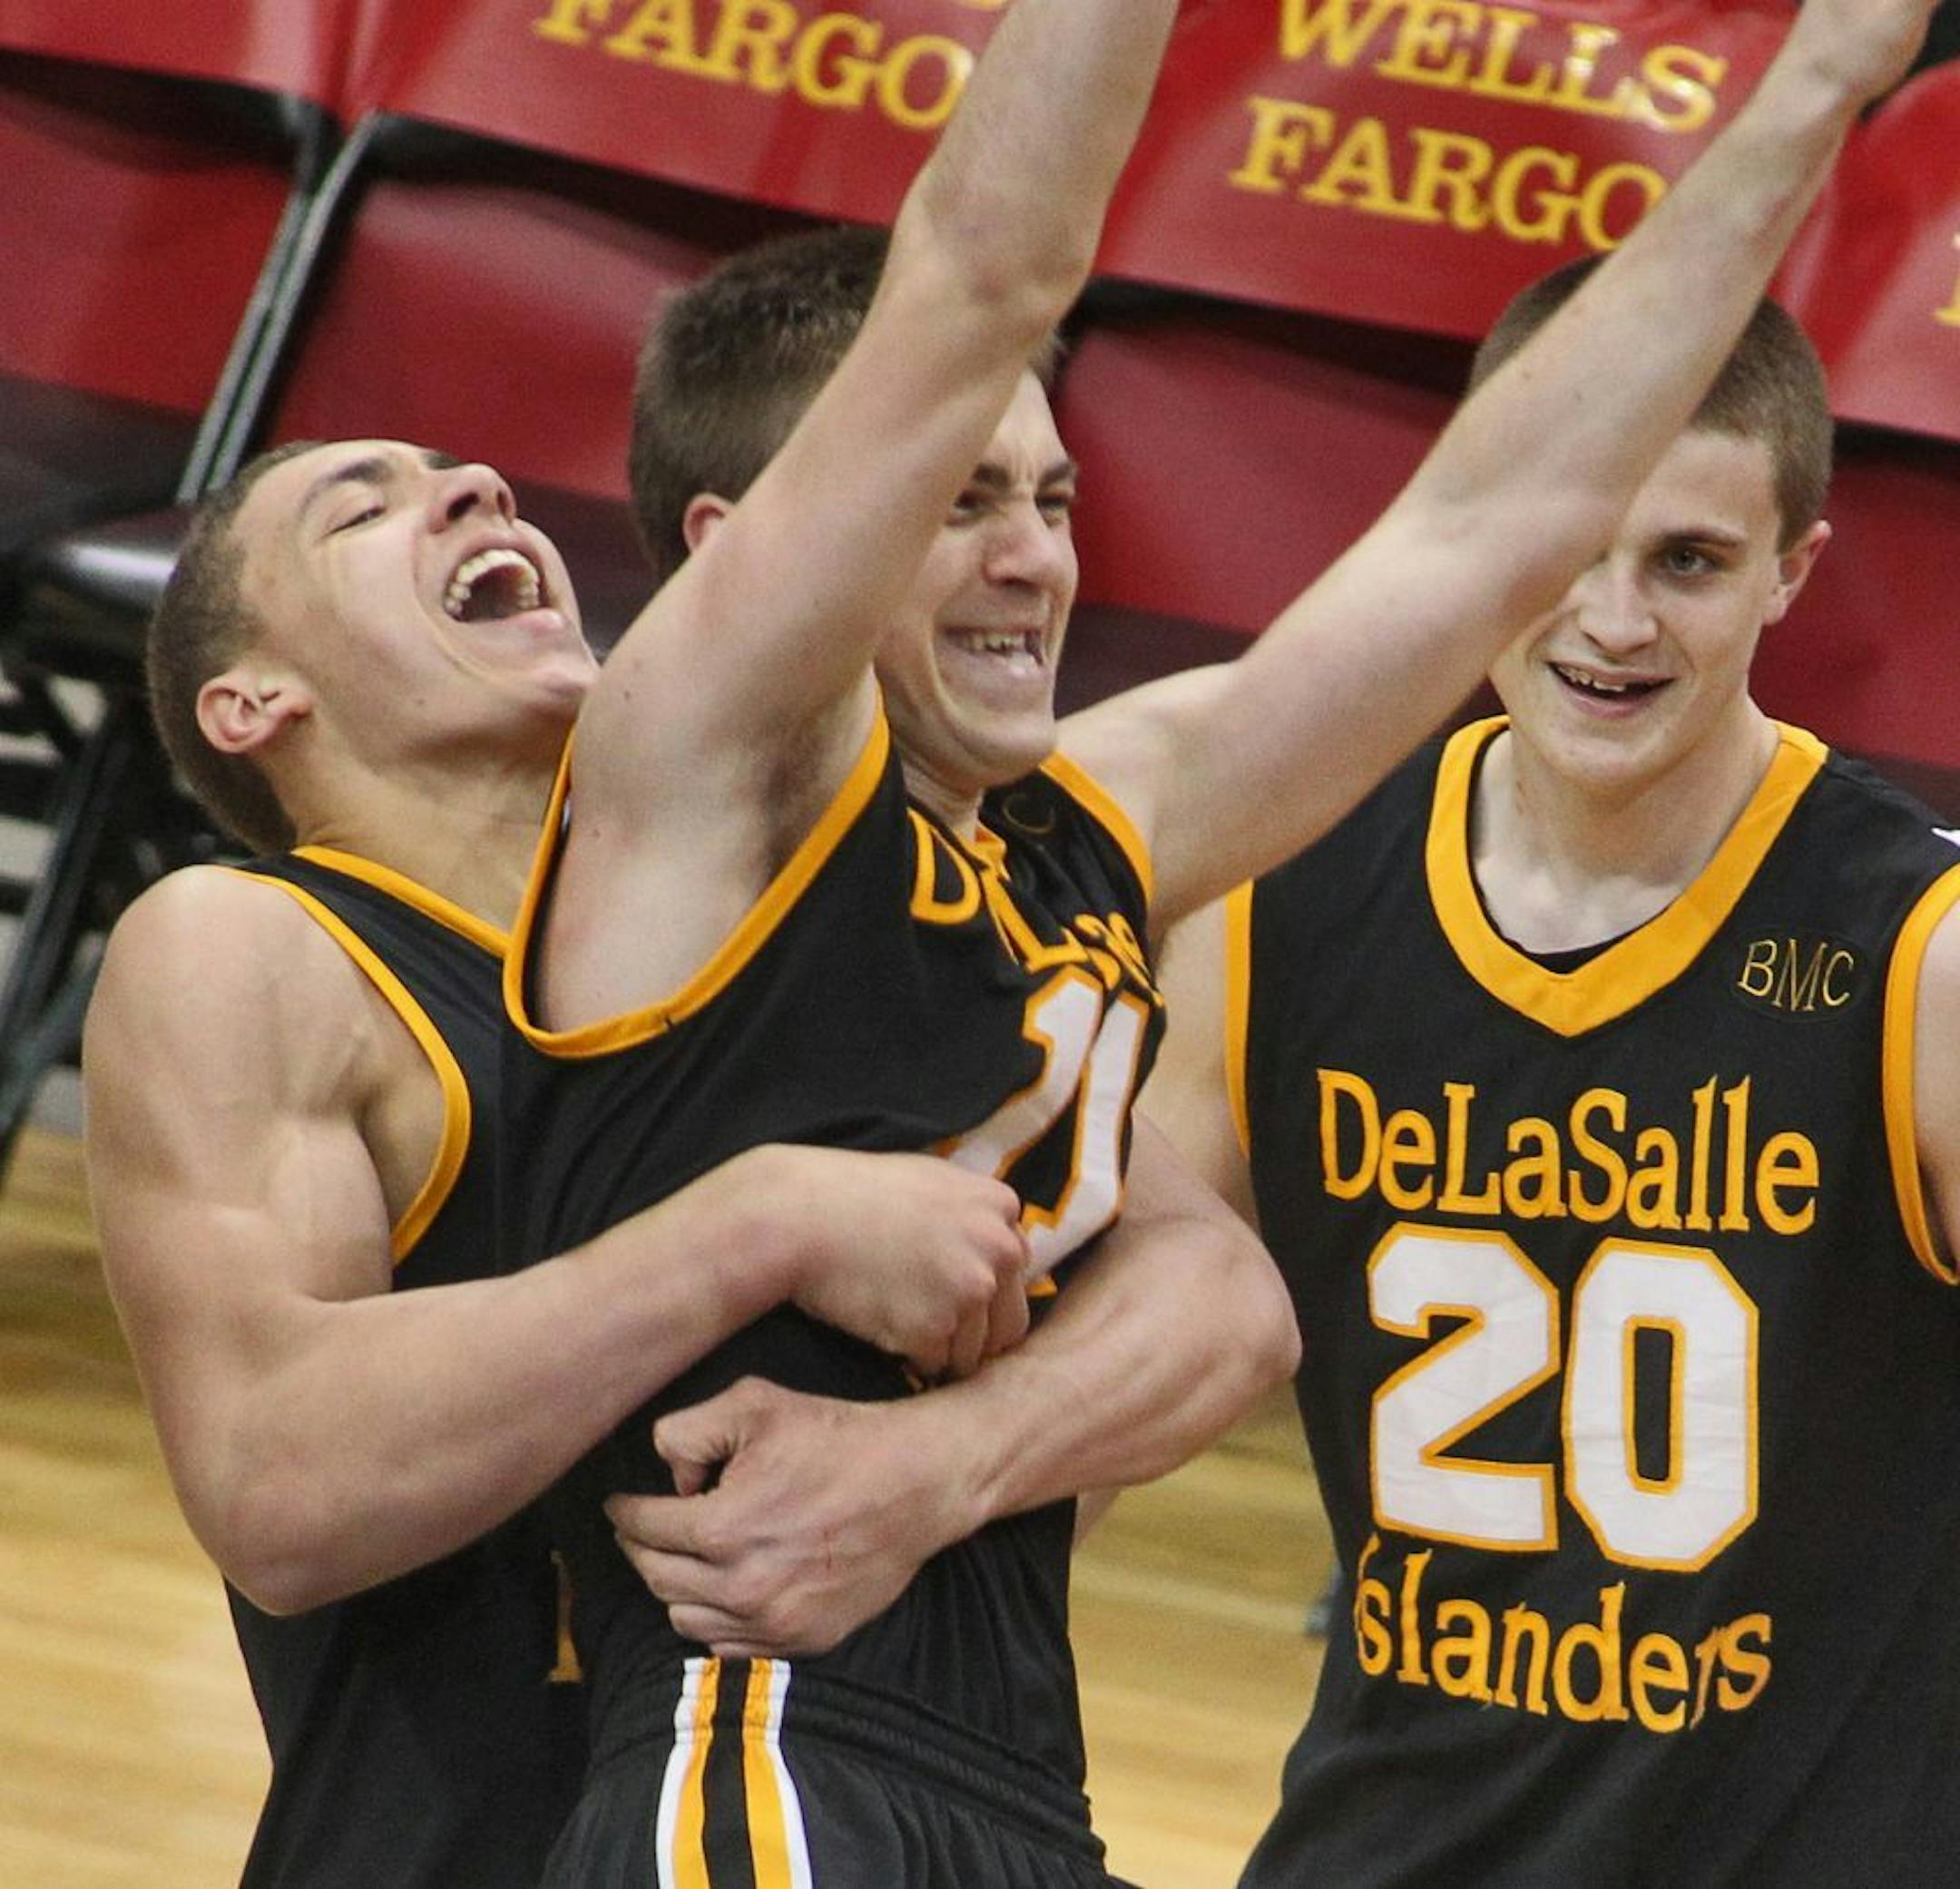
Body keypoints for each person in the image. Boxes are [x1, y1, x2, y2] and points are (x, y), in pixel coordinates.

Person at [503, 0, 1937, 1883]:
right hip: (766, 1754)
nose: (1035, 560)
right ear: (763, 549)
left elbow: (1493, 527)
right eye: (958, 501)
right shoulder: (701, 797)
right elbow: (984, 269)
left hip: (1016, 1784)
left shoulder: (1094, 834)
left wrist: (1828, 77)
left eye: (1055, 497)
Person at [83, 429, 1283, 1888]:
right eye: (365, 508)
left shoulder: (789, 915)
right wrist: (751, 1226)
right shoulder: (256, 944)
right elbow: (278, 1483)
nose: (479, 489)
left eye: (477, 475)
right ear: (251, 700)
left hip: (878, 1816)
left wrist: (945, 1458)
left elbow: (1219, 1293)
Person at [1145, 246, 1960, 1889]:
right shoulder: (1274, 891)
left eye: (1688, 560)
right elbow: (1099, 1394)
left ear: (1794, 569)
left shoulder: (1922, 953)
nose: (1609, 618)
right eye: (1568, 547)